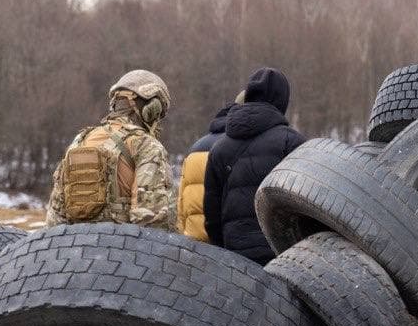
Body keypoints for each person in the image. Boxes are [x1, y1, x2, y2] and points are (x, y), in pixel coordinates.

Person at [46, 70, 176, 229]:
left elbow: (54, 220)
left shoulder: (80, 141)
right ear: (152, 108)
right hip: (123, 249)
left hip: (74, 248)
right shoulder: (146, 145)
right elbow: (151, 220)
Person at [204, 67, 305, 264]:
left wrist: (223, 250)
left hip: (235, 257)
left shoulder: (219, 148)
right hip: (283, 255)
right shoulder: (292, 143)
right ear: (281, 100)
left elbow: (212, 216)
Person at [176, 96, 239, 242]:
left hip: (194, 240)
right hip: (223, 240)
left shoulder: (195, 148)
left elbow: (181, 200)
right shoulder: (234, 147)